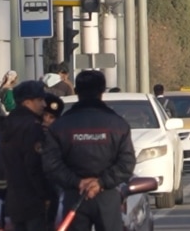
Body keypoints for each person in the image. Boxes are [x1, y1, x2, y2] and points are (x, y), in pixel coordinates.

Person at [42, 70, 135, 231]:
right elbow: (127, 163)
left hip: (73, 196)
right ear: (102, 91)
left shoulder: (60, 126)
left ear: (76, 91)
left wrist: (77, 182)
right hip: (107, 197)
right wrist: (100, 183)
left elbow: (52, 165)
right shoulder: (118, 125)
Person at [0, 81, 55, 231]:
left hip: (15, 203)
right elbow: (35, 166)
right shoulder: (32, 128)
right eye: (40, 100)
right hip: (35, 202)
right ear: (27, 102)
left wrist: (6, 195)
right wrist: (47, 194)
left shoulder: (7, 127)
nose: (43, 104)